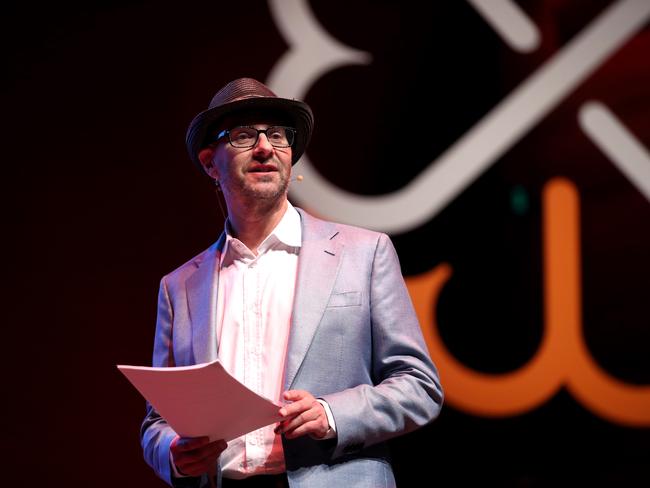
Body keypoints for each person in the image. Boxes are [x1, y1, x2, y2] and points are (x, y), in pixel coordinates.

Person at [141, 77, 443, 488]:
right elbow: (157, 422)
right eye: (245, 135)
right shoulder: (180, 288)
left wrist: (333, 414)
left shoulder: (363, 254)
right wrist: (175, 453)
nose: (265, 146)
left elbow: (419, 386)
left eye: (278, 135)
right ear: (211, 162)